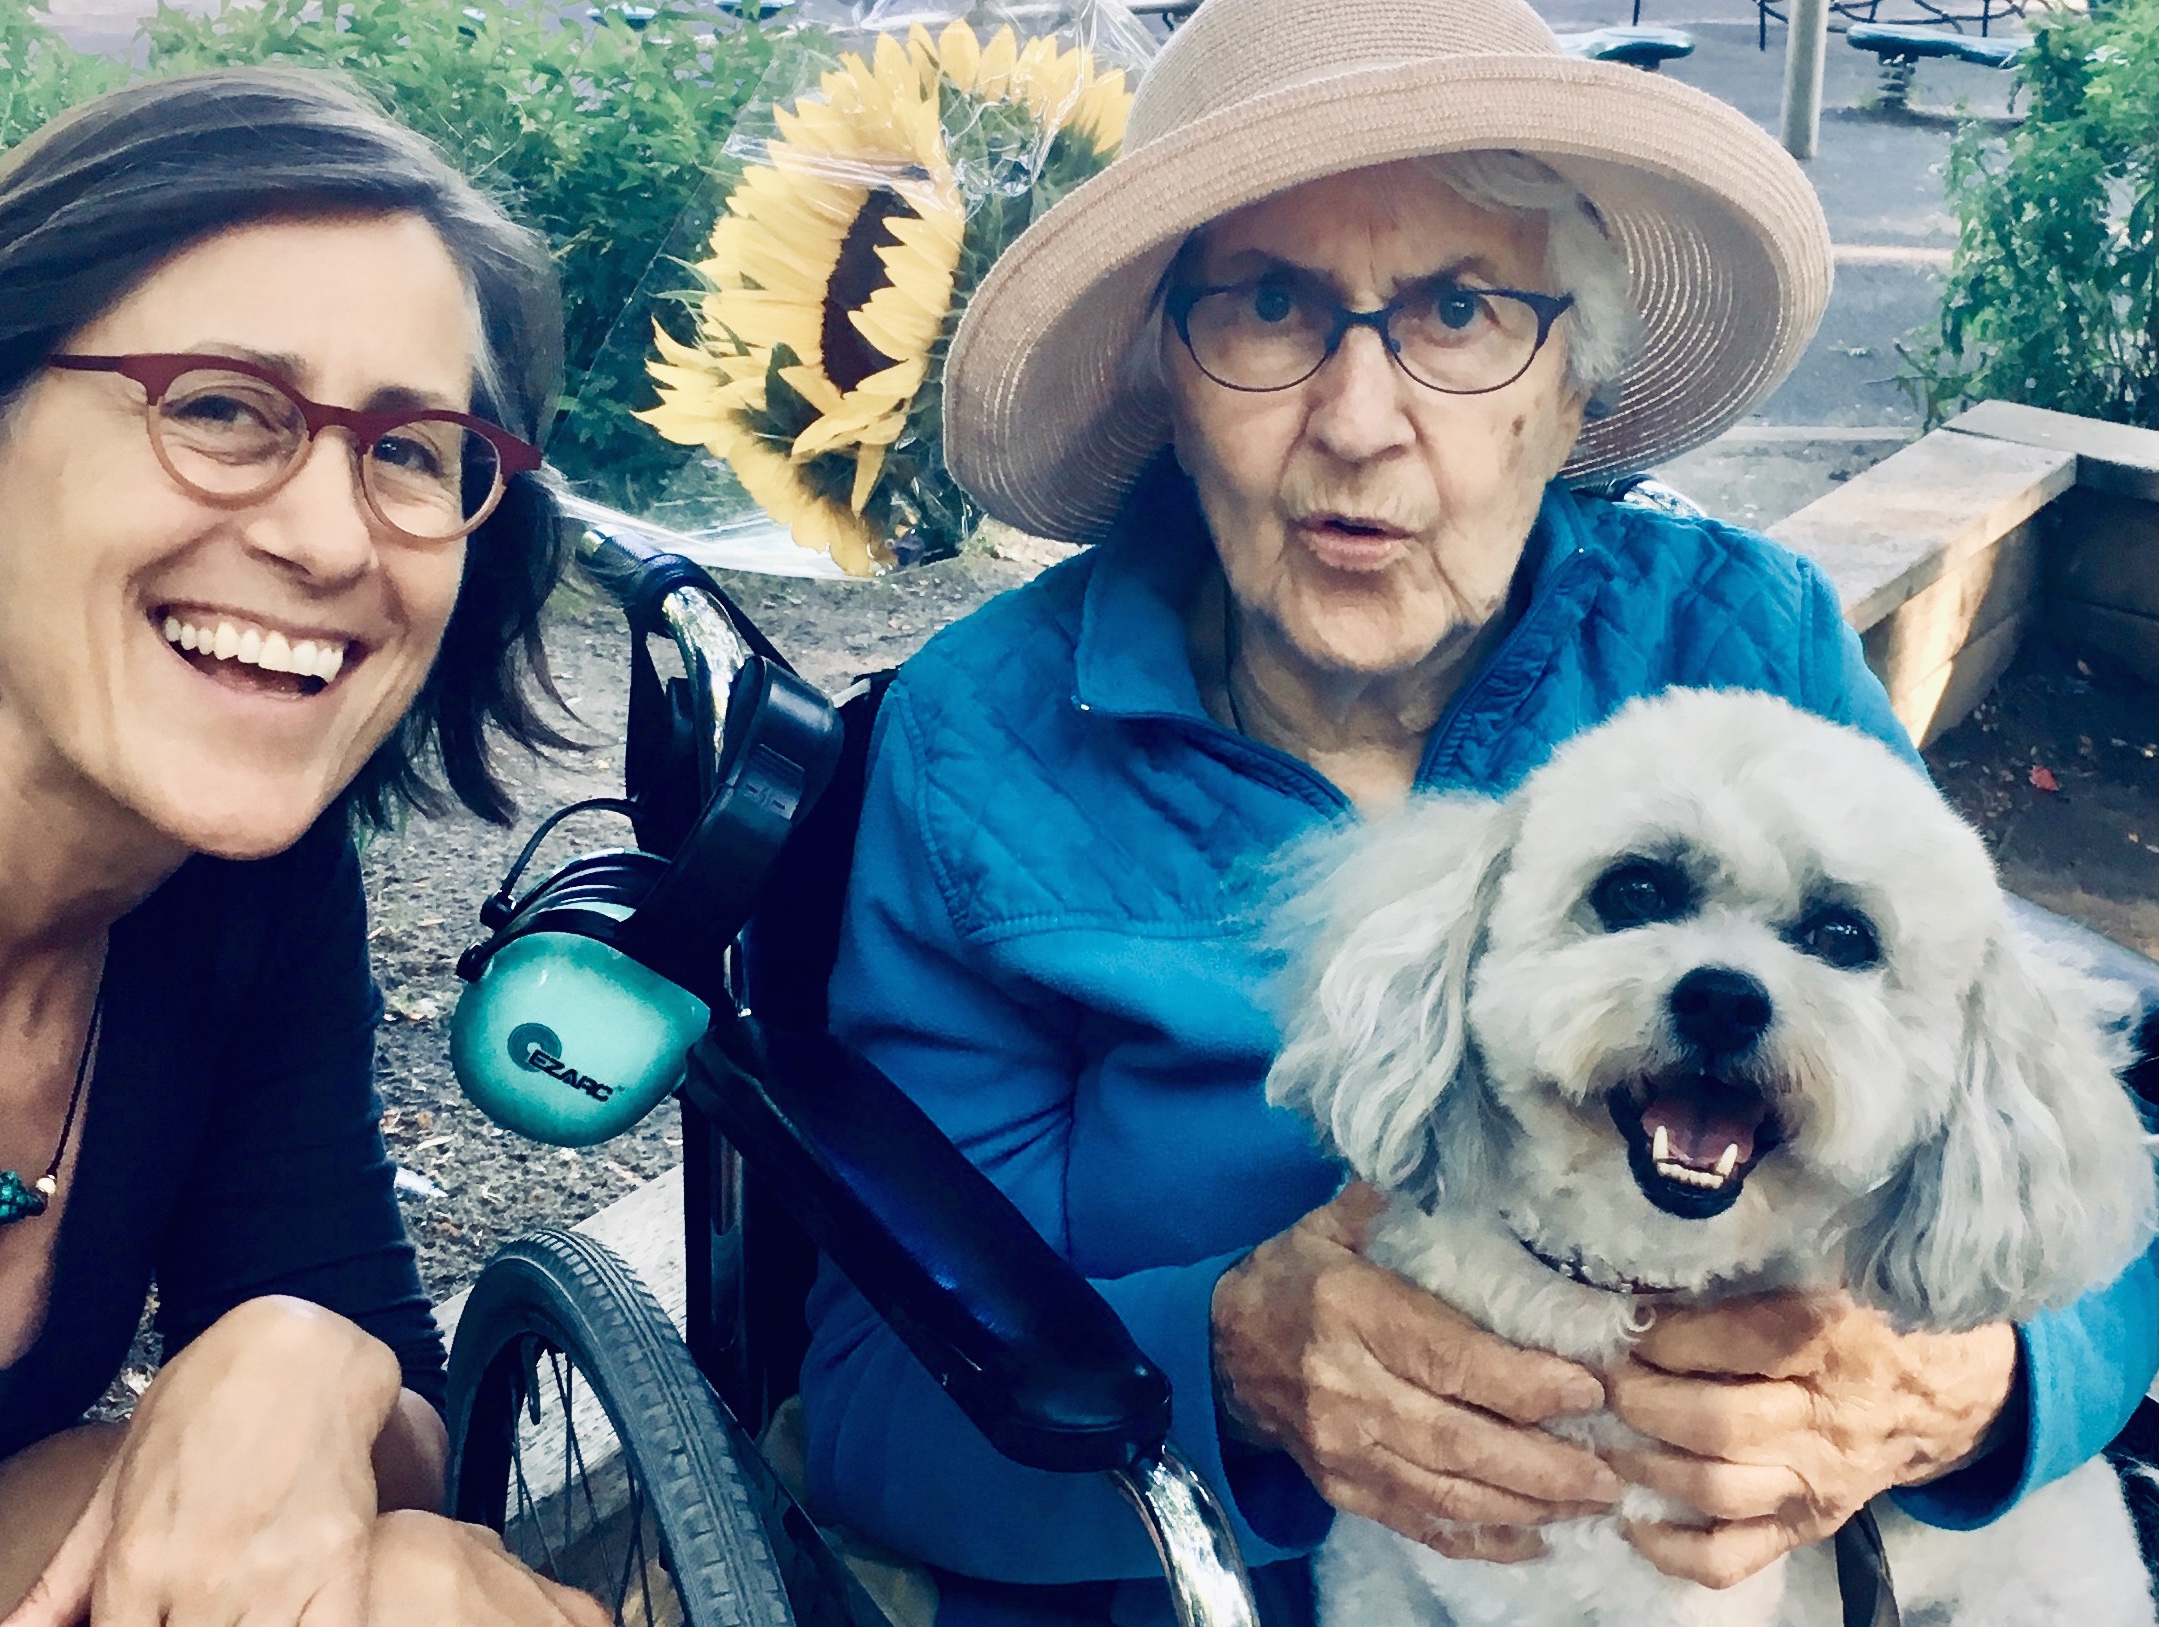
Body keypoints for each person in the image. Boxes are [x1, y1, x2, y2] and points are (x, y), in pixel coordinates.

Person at [797, 0, 2159, 1621]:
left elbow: (2039, 1164)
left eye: (1459, 311)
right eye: (1269, 306)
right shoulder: (977, 753)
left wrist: (1972, 1389)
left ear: (1573, 394)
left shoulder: (1745, 645)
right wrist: (1227, 1372)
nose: (1361, 419)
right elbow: (874, 1405)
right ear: (1171, 380)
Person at [0, 68, 609, 1627]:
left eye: (409, 448)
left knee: (422, 1589)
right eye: (220, 408)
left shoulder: (240, 874)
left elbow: (382, 1420)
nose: (331, 539)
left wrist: (311, 1361)